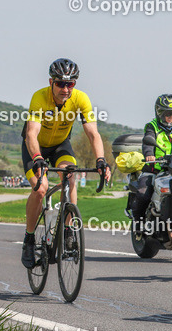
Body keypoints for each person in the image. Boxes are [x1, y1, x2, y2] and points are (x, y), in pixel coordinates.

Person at [21, 58, 111, 268]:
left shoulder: (80, 99)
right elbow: (31, 133)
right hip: (35, 148)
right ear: (51, 82)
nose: (65, 89)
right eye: (61, 83)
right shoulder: (39, 97)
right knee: (41, 188)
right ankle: (29, 238)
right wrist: (37, 159)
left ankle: (69, 232)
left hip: (61, 145)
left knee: (69, 176)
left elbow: (93, 133)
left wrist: (101, 160)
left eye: (70, 84)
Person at [128, 94, 172, 222]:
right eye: (167, 114)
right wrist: (149, 155)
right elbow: (147, 143)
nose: (170, 117)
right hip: (155, 169)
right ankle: (138, 222)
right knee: (143, 193)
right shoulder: (152, 126)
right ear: (159, 113)